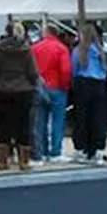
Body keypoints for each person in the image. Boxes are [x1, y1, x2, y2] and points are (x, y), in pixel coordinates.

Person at [0, 23, 39, 171]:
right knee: (24, 125)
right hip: (24, 90)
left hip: (3, 90)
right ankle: (24, 162)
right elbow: (33, 72)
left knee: (4, 125)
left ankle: (2, 161)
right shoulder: (26, 49)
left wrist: (2, 78)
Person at [31, 25, 72, 163]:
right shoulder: (62, 48)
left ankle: (41, 151)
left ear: (45, 33)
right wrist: (65, 86)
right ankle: (55, 152)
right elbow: (65, 70)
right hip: (57, 88)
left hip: (40, 87)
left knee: (40, 121)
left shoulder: (35, 48)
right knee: (58, 121)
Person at [70, 24, 107, 165]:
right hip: (99, 85)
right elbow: (105, 70)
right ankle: (98, 150)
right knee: (98, 118)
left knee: (81, 118)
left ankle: (81, 149)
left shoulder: (79, 51)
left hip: (83, 83)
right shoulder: (100, 51)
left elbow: (73, 69)